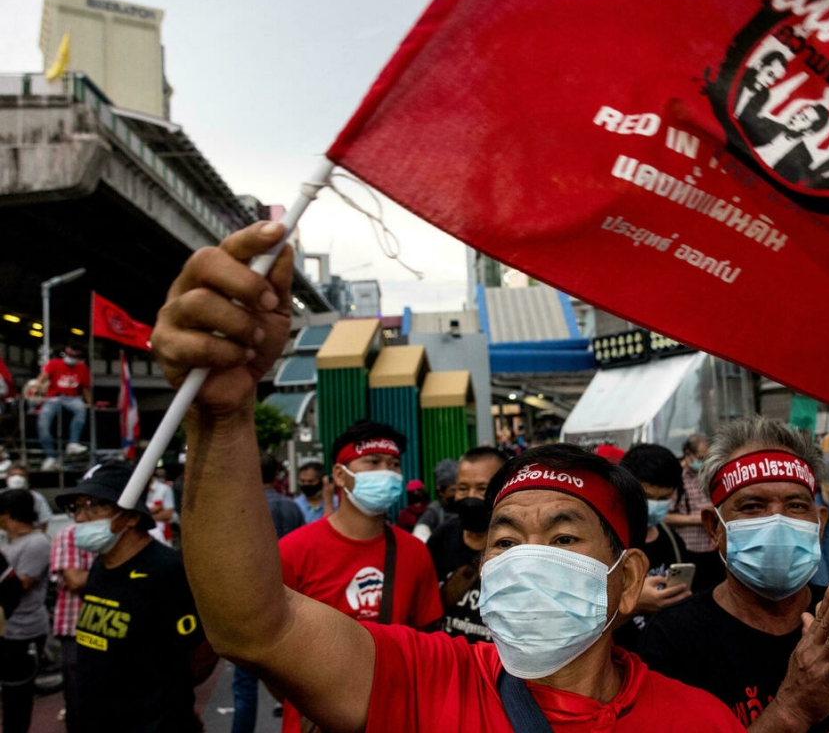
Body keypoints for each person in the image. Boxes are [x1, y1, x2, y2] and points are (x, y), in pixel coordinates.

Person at [150, 221, 746, 732]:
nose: (526, 560)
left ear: (628, 576)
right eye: (506, 540)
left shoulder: (701, 719)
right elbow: (253, 628)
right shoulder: (425, 681)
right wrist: (221, 418)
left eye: (563, 538)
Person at [640, 416, 829, 732]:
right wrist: (791, 712)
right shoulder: (673, 642)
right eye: (751, 506)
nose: (777, 522)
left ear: (819, 524)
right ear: (713, 528)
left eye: (795, 505)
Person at [277, 419, 443, 732]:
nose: (387, 472)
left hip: (396, 714)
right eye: (373, 462)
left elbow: (426, 641)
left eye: (393, 464)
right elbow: (271, 650)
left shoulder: (415, 552)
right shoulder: (292, 551)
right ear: (340, 475)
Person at [55, 461, 216, 733]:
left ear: (131, 517)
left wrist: (167, 702)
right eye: (77, 507)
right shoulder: (100, 566)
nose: (82, 517)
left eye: (94, 505)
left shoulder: (166, 571)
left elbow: (201, 655)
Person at [231, 452, 305, 733]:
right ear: (277, 475)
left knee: (245, 684)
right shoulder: (292, 508)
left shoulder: (242, 508)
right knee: (294, 678)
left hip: (252, 605)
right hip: (291, 604)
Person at [613, 443, 692, 651]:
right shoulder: (608, 542)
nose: (653, 505)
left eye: (664, 498)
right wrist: (634, 605)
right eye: (646, 496)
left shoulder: (673, 540)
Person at [426, 446, 507, 643]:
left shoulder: (517, 546)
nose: (470, 496)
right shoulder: (442, 538)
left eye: (481, 489)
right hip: (448, 662)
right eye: (462, 488)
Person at [0, 489, 51, 733]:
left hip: (23, 631)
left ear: (8, 515)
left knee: (17, 697)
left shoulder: (37, 542)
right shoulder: (9, 542)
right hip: (5, 629)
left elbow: (18, 586)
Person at [50, 521, 95, 732]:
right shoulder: (71, 535)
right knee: (78, 698)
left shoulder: (130, 533)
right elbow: (74, 580)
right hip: (76, 626)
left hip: (116, 631)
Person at [30, 341, 91, 471]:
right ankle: (50, 456)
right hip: (54, 397)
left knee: (81, 410)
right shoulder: (54, 363)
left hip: (72, 398)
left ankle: (73, 443)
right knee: (43, 423)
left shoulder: (82, 368)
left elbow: (85, 388)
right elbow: (43, 377)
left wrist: (90, 403)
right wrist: (36, 387)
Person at [734, 51, 788, 123]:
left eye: (775, 79)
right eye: (770, 74)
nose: (770, 82)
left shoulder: (764, 96)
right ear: (759, 65)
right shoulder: (737, 74)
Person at [413, 458, 459, 541]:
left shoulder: (463, 506)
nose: (457, 495)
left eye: (460, 489)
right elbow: (420, 534)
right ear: (440, 491)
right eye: (453, 490)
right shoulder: (434, 510)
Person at [4, 465, 53, 530]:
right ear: (7, 478)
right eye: (13, 475)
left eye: (21, 475)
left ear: (26, 478)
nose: (17, 478)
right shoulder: (1, 496)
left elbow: (43, 521)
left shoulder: (37, 497)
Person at [146, 472, 178, 546]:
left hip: (164, 534)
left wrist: (146, 517)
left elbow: (168, 514)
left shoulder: (164, 489)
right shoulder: (137, 490)